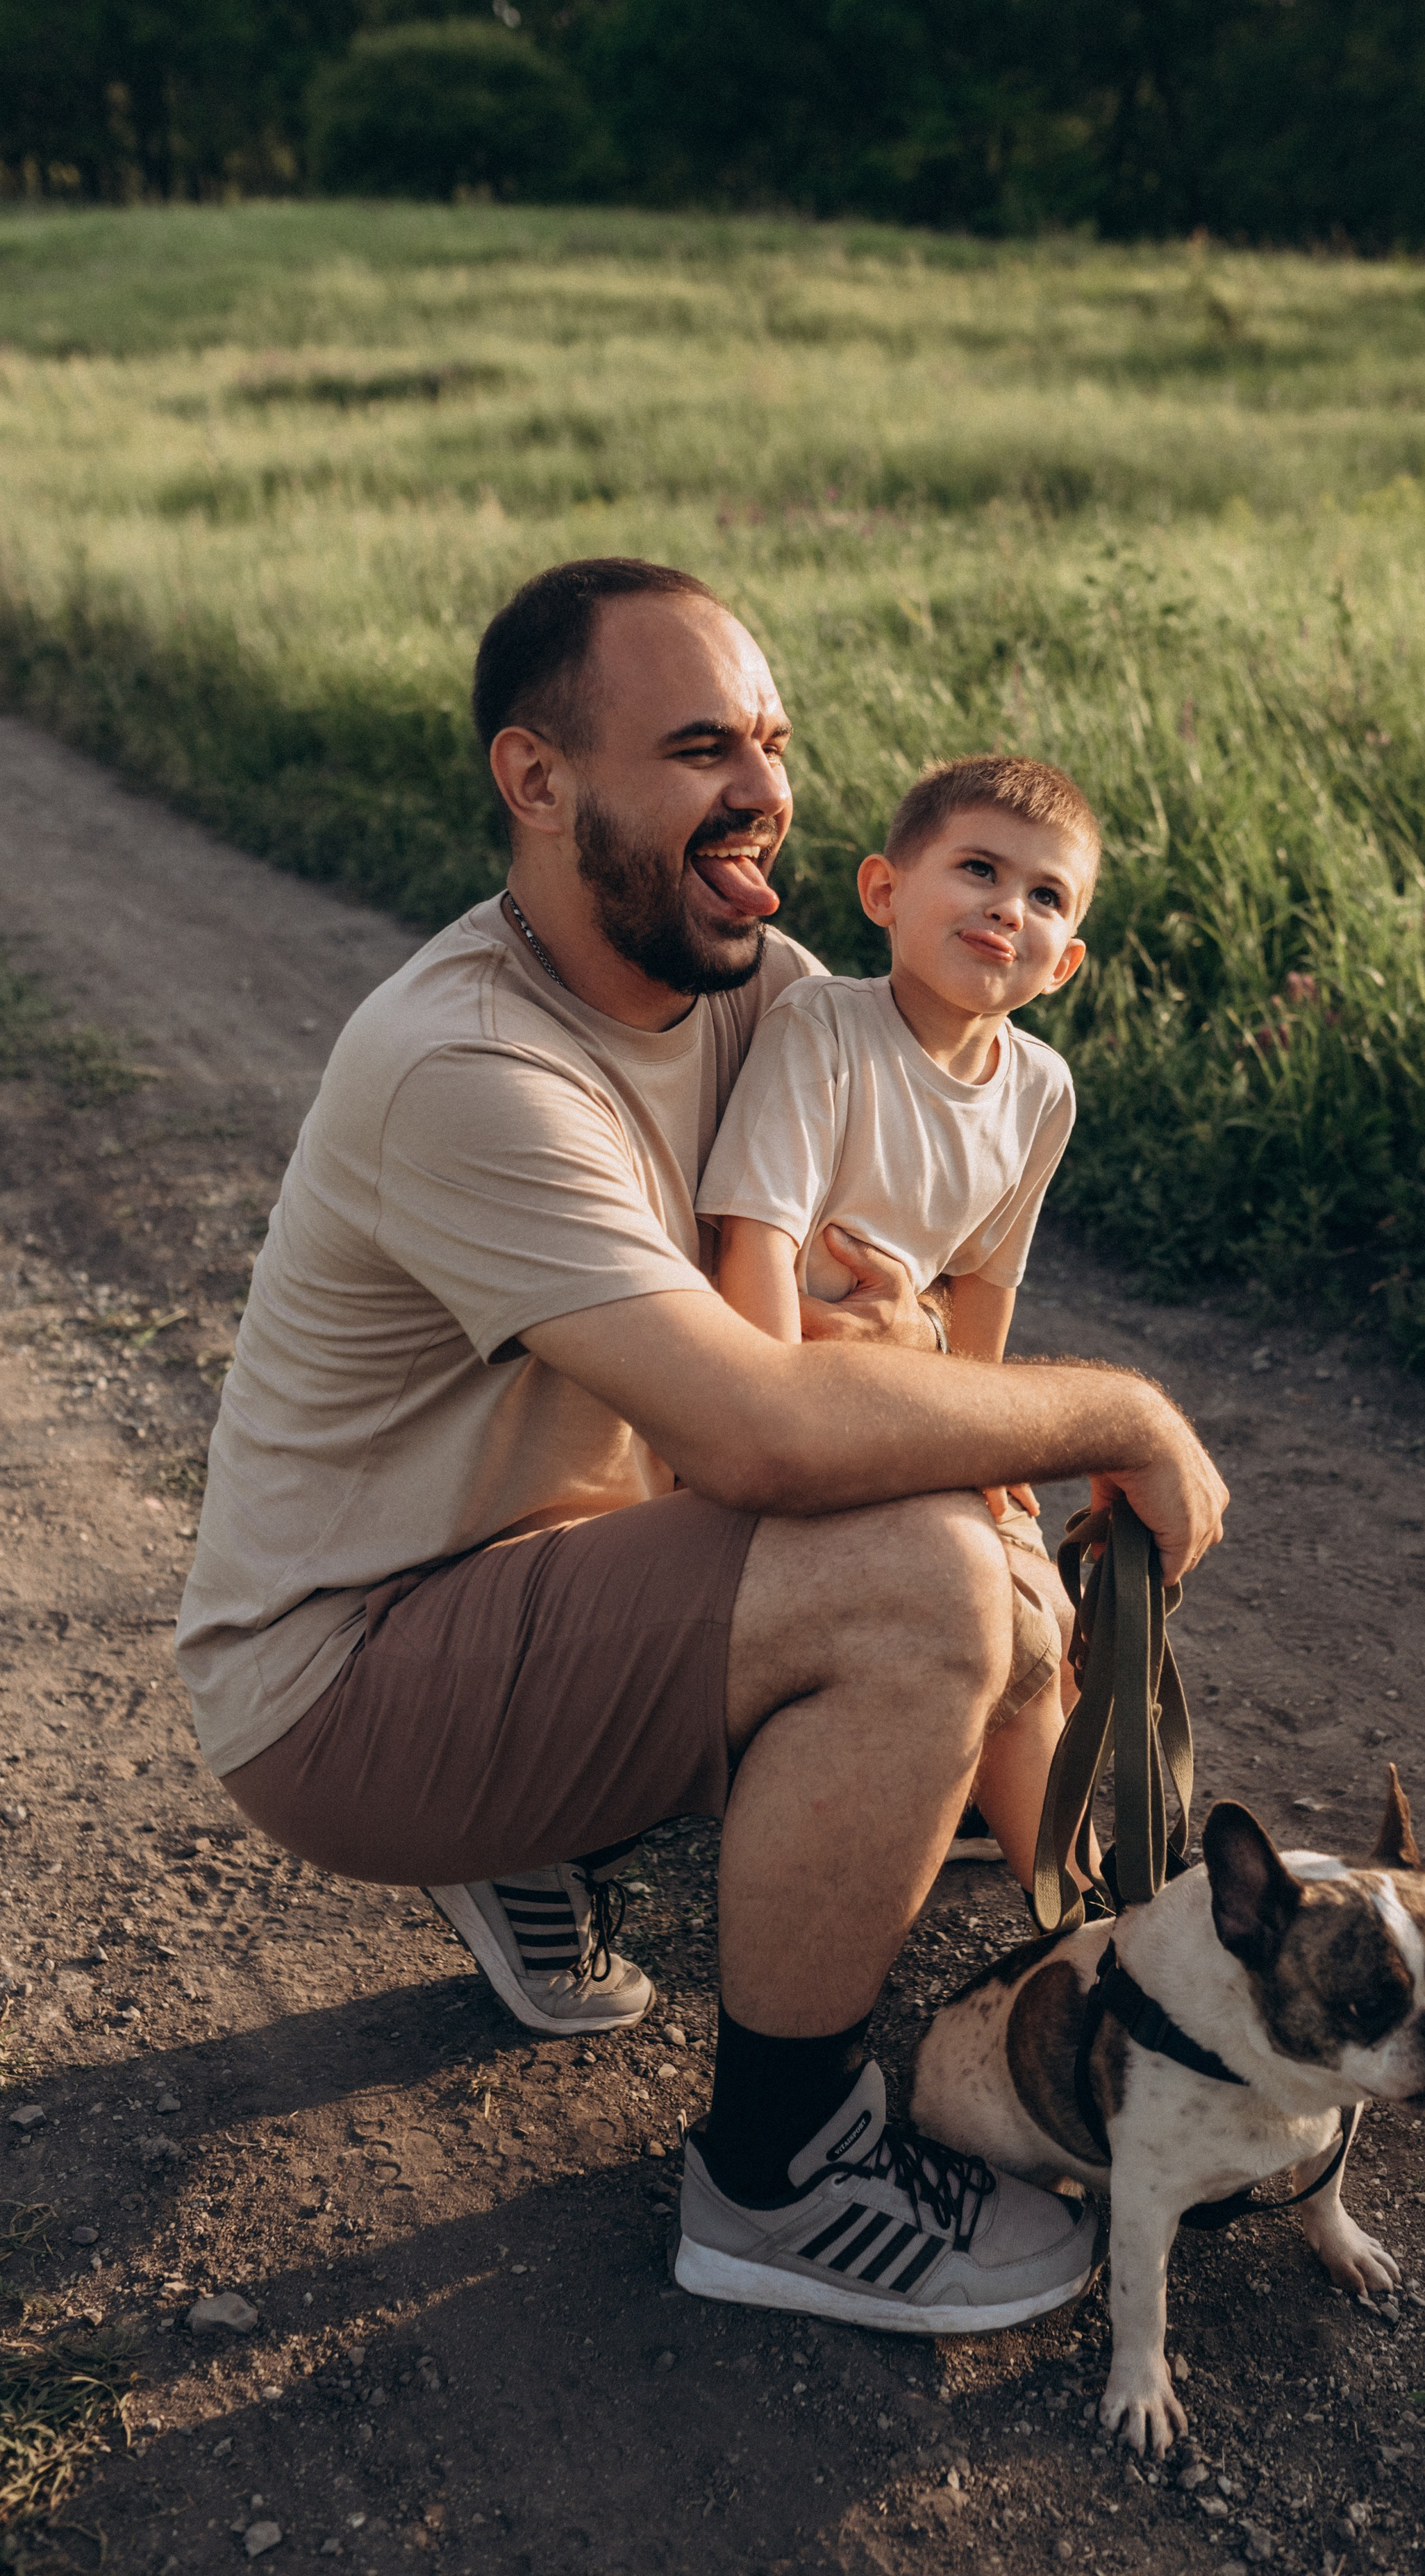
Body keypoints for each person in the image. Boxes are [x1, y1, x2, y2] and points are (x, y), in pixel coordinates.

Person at [176, 556, 1229, 2333]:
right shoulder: (469, 1063)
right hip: (338, 1681)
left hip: (542, 1582)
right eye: (695, 748)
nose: (763, 794)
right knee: (913, 1588)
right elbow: (760, 1424)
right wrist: (1116, 1414)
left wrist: (923, 1404)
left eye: (771, 740)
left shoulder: (771, 996)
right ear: (538, 780)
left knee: (968, 1566)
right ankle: (777, 2176)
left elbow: (877, 1333)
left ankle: (539, 1824)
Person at [699, 751, 1099, 1893]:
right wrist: (785, 1437)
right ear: (884, 892)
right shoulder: (823, 1031)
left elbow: (984, 1282)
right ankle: (1083, 1915)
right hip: (786, 1397)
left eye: (1044, 897)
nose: (1005, 908)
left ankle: (992, 1805)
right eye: (977, 869)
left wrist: (982, 1441)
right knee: (1013, 1627)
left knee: (1053, 1611)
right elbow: (756, 1244)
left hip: (907, 1399)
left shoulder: (1040, 1090)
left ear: (1064, 961)